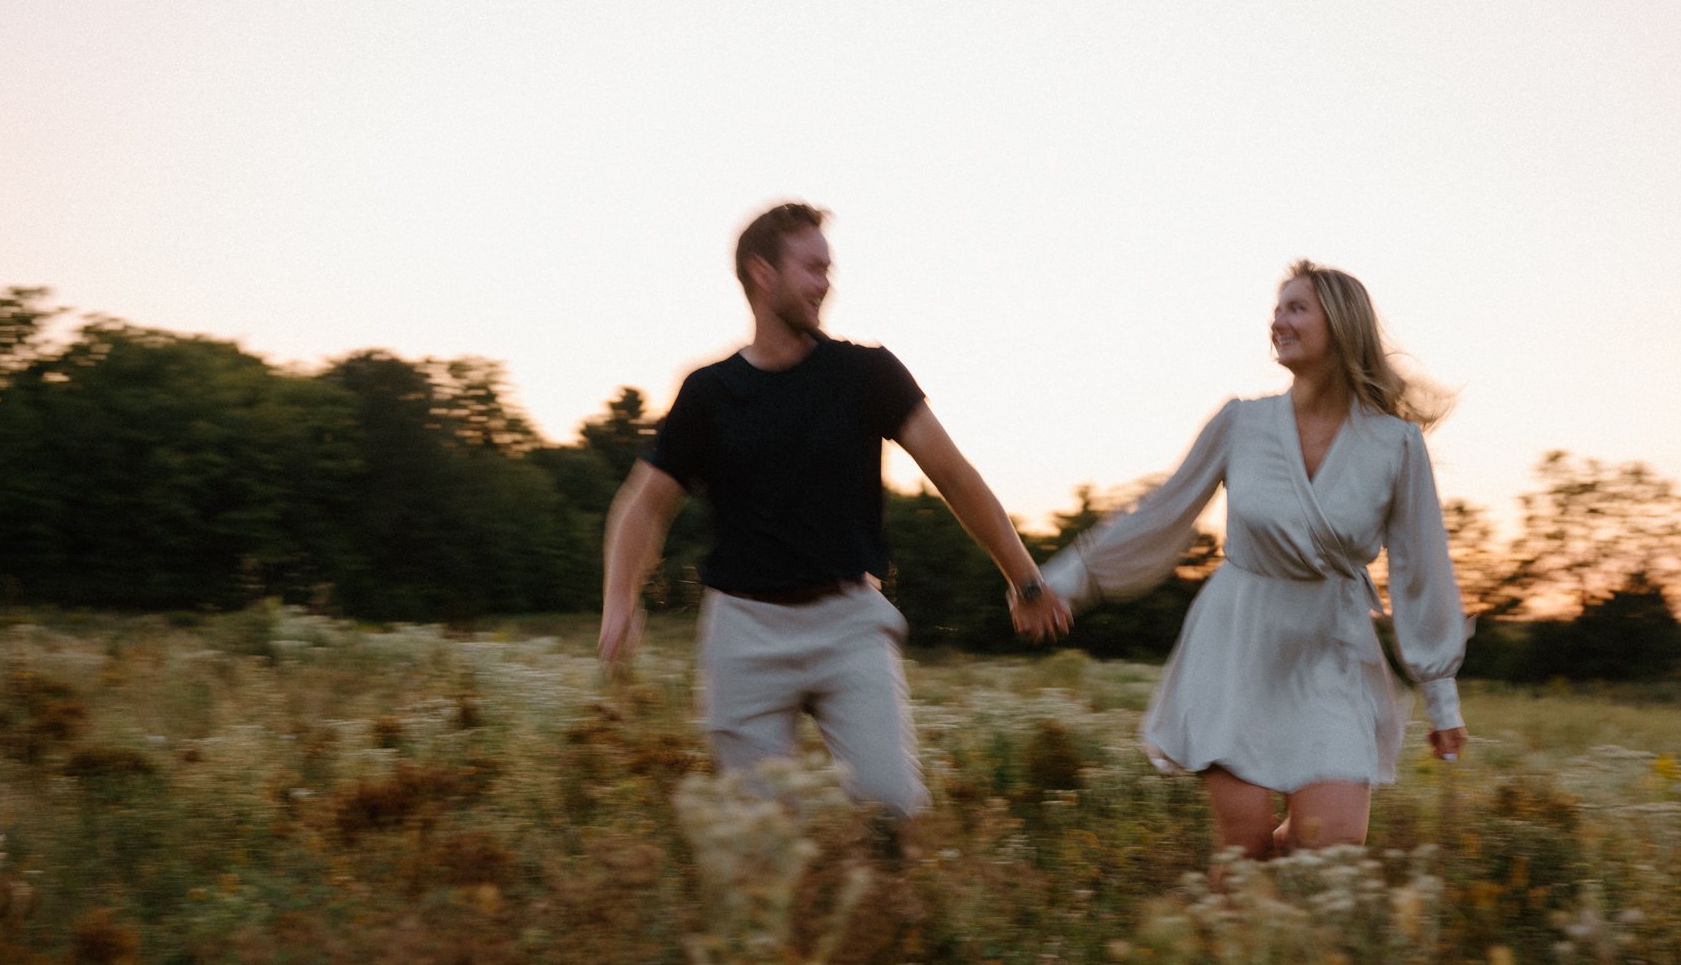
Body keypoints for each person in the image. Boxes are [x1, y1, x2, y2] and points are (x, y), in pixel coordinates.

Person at [598, 202, 1069, 817]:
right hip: (743, 633)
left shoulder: (866, 374)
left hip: (849, 624)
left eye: (829, 268)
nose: (827, 283)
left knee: (893, 815)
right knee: (758, 843)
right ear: (763, 274)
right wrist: (619, 601)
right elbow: (643, 507)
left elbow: (954, 476)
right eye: (813, 268)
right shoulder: (708, 393)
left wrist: (1024, 577)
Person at [1039, 259, 1470, 856]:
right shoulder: (1242, 422)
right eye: (1277, 309)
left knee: (1333, 850)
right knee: (1245, 855)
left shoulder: (1394, 445)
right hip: (1239, 642)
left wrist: (1440, 694)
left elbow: (1422, 571)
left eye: (1296, 308)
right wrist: (1064, 581)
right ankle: (1227, 933)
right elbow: (1162, 512)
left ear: (1340, 326)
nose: (1278, 321)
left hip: (1333, 652)